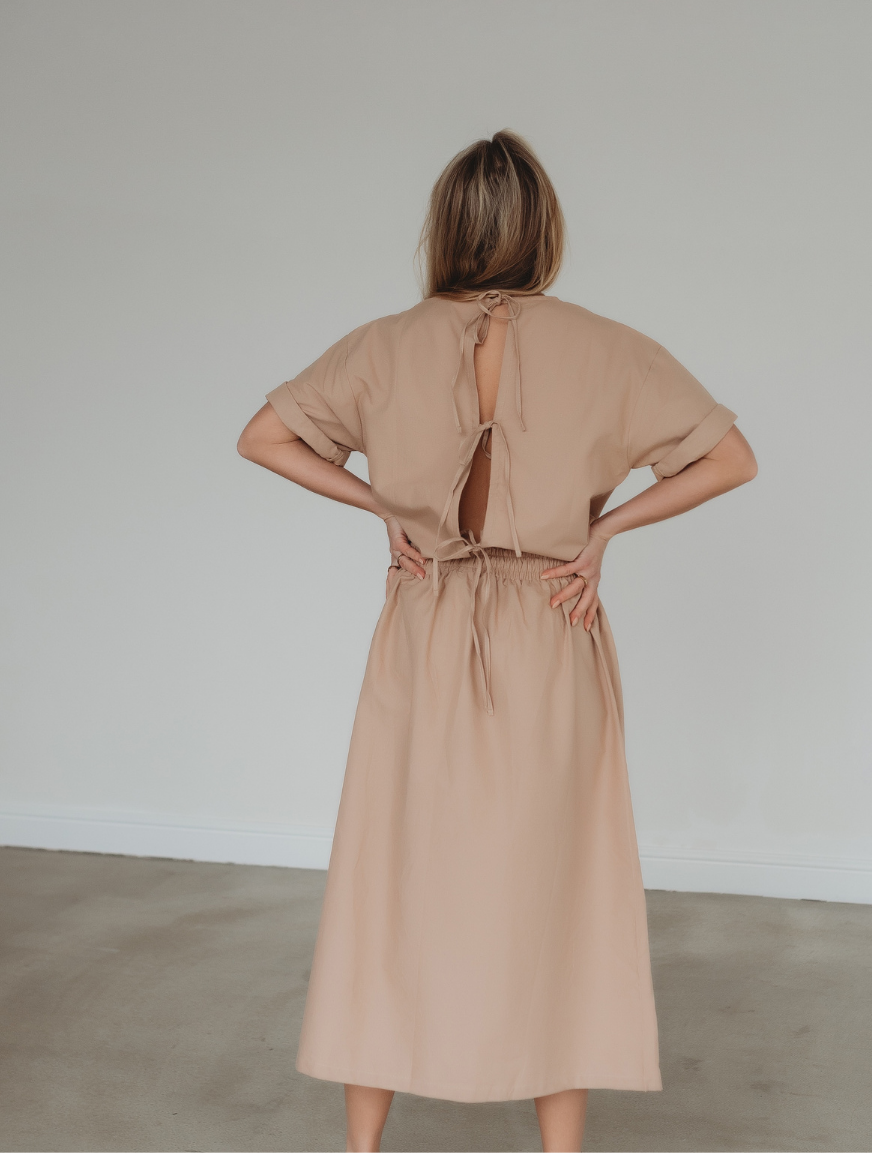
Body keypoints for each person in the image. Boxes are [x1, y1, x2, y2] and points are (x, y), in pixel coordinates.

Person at [237, 130, 757, 1153]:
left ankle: (362, 1147)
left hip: (426, 618)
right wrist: (604, 529)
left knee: (392, 882)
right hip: (549, 624)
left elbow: (263, 434)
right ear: (544, 230)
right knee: (559, 886)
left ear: (446, 228)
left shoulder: (383, 342)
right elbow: (730, 457)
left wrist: (378, 505)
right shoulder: (609, 345)